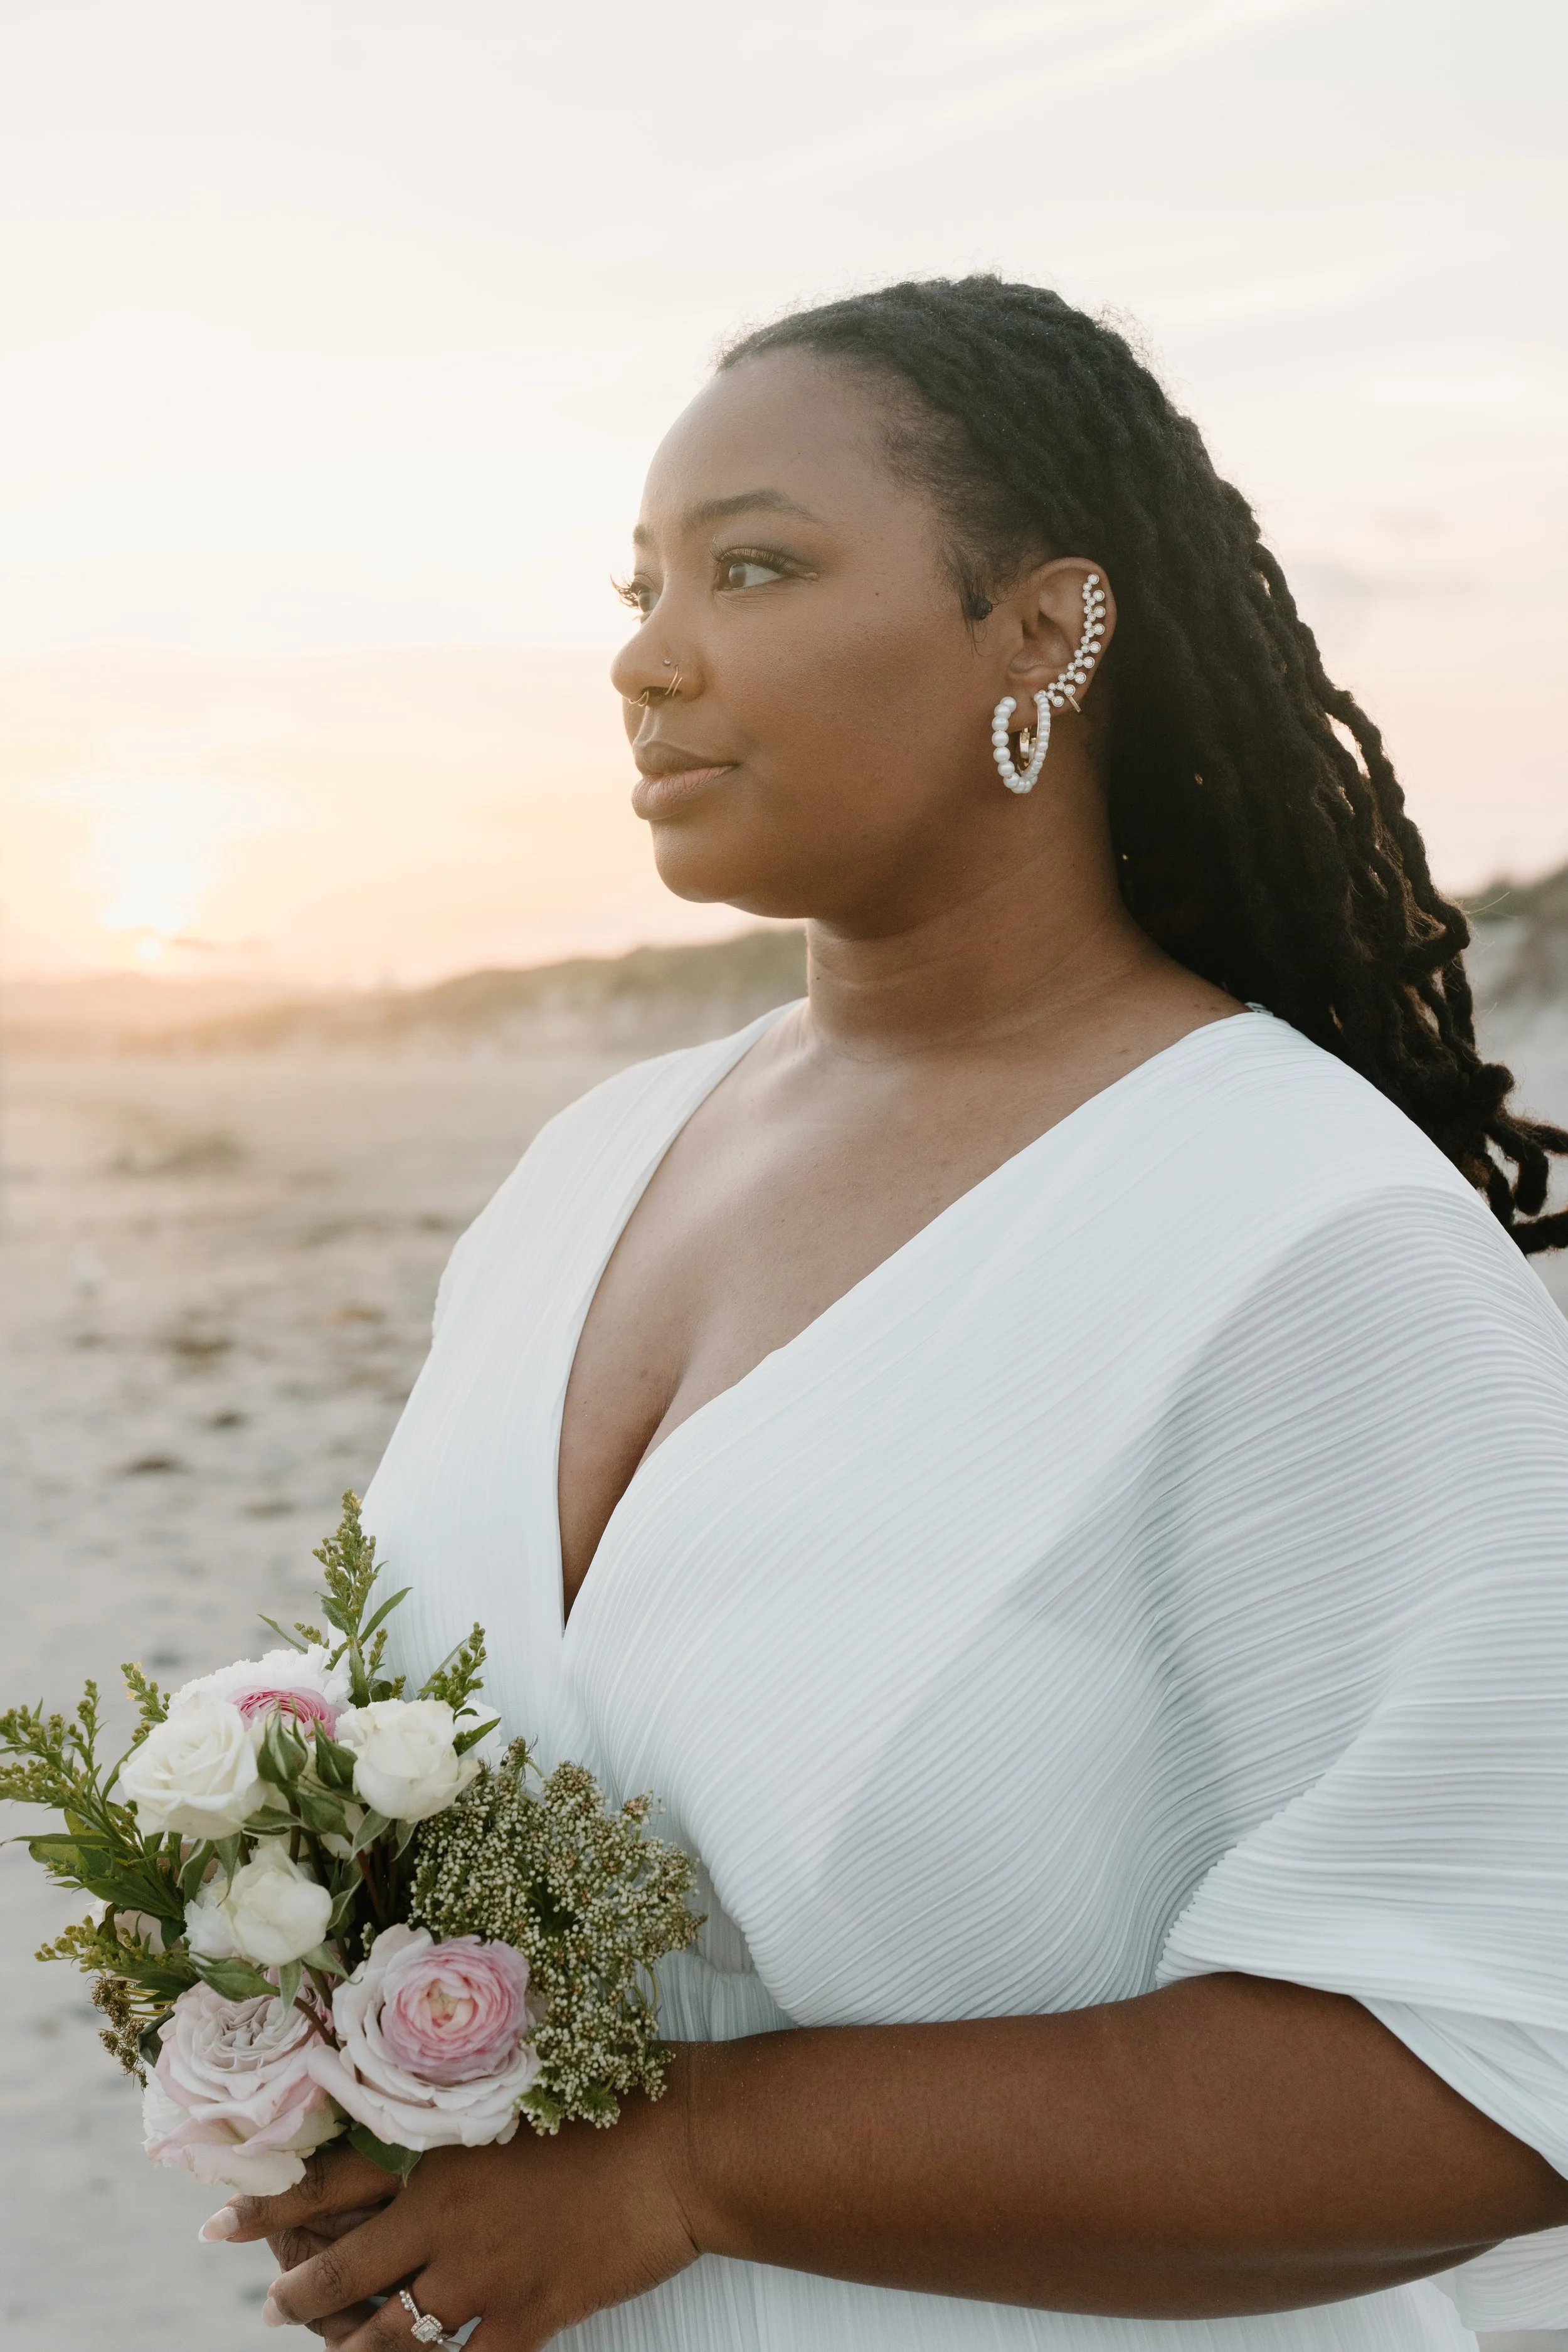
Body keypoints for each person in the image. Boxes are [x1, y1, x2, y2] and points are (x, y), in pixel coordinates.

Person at [220, 278, 1568, 2351]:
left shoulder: (1304, 1237)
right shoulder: (590, 1164)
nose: (644, 656)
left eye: (751, 567)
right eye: (640, 581)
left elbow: (1501, 2059)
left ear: (1040, 631)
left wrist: (686, 2159)